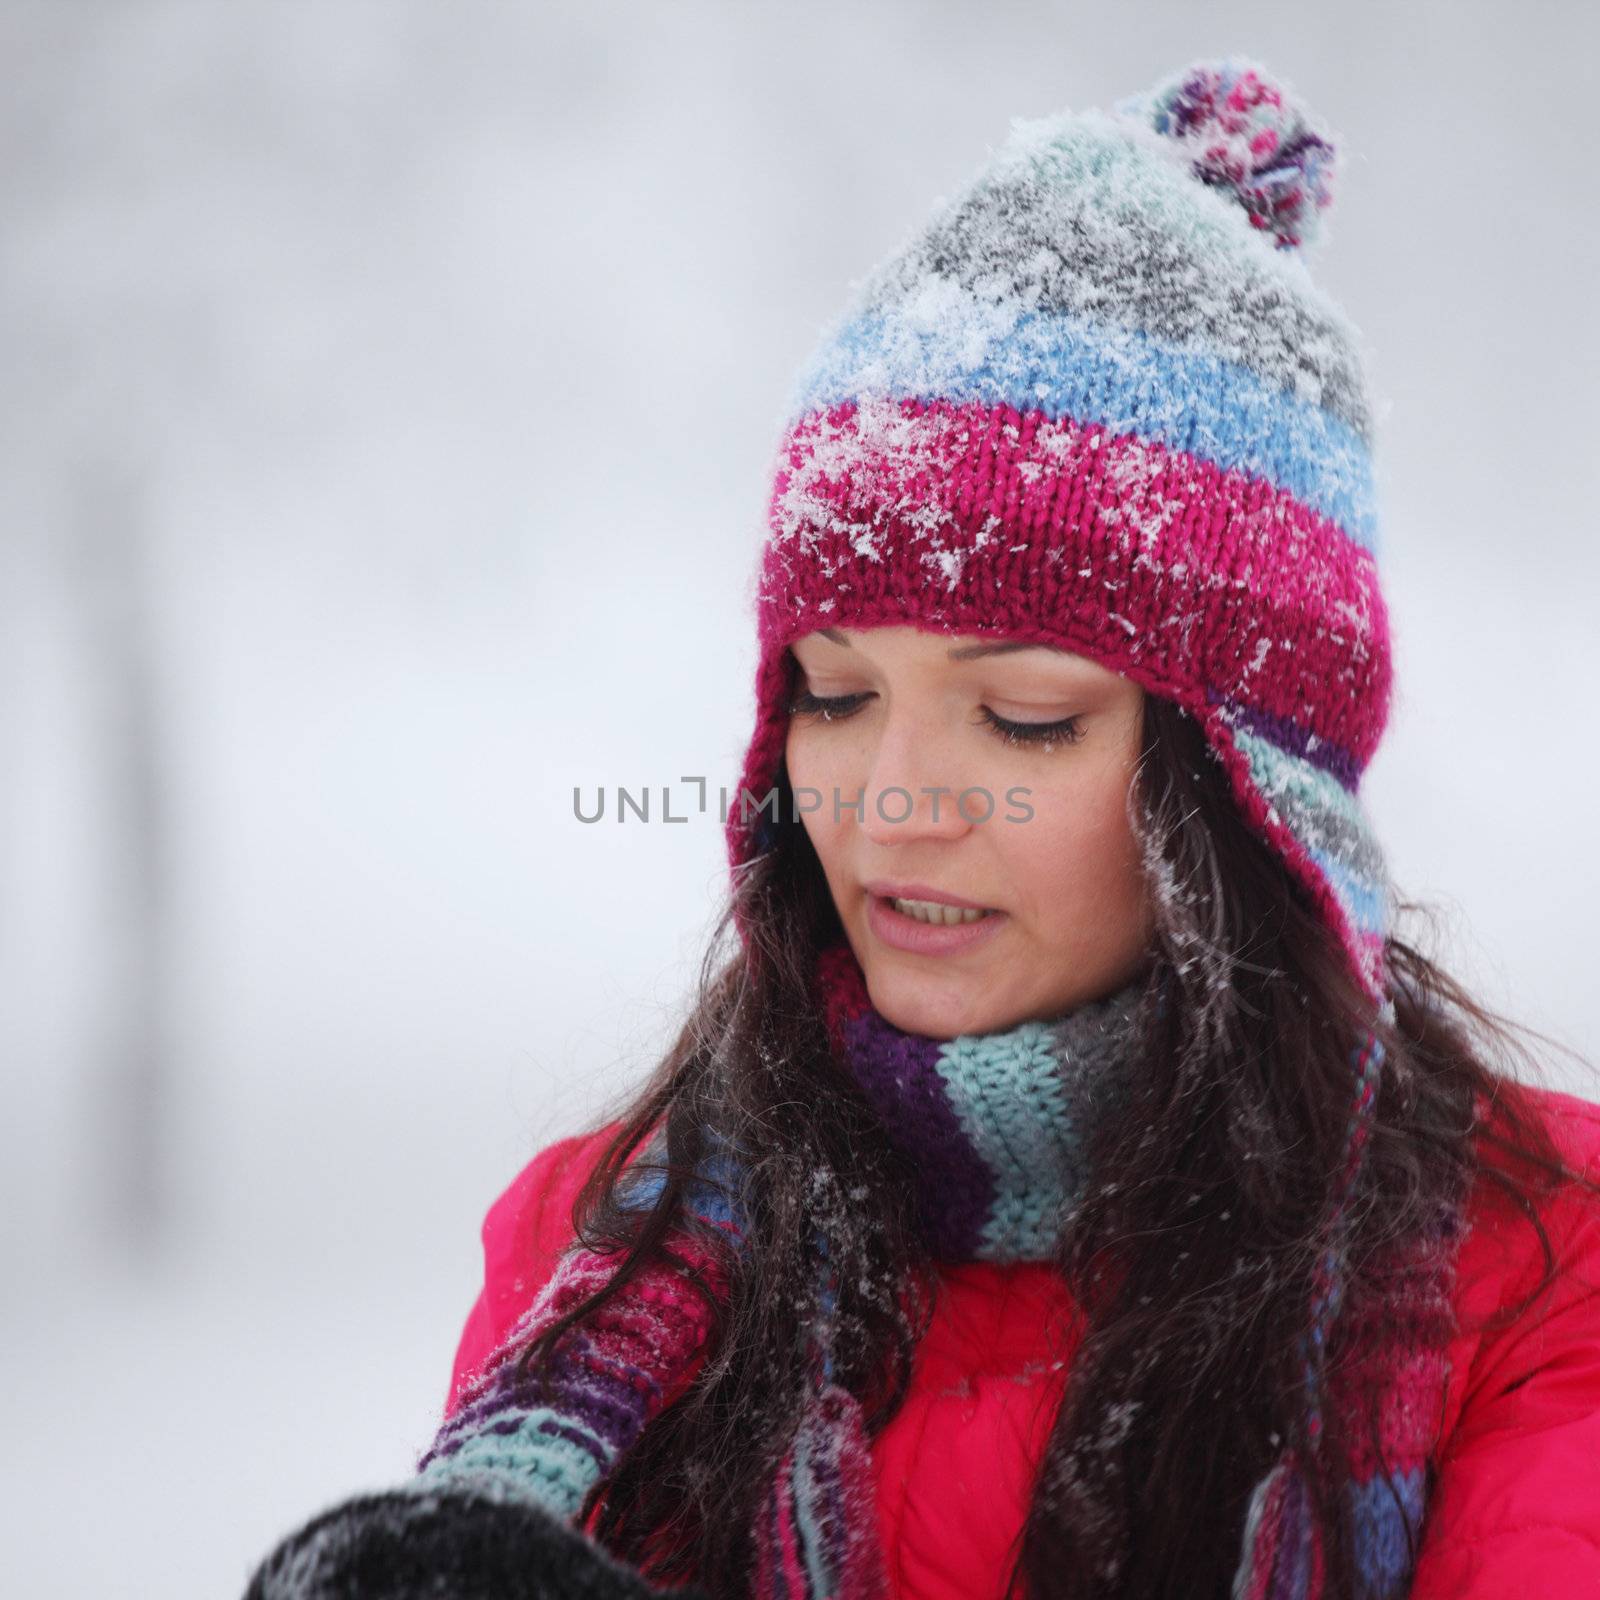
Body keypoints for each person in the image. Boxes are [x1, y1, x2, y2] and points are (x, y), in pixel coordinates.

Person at [244, 56, 1600, 1600]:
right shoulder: (598, 1244)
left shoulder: (1544, 1269)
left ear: (1251, 790)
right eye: (832, 694)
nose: (892, 799)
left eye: (1025, 718)